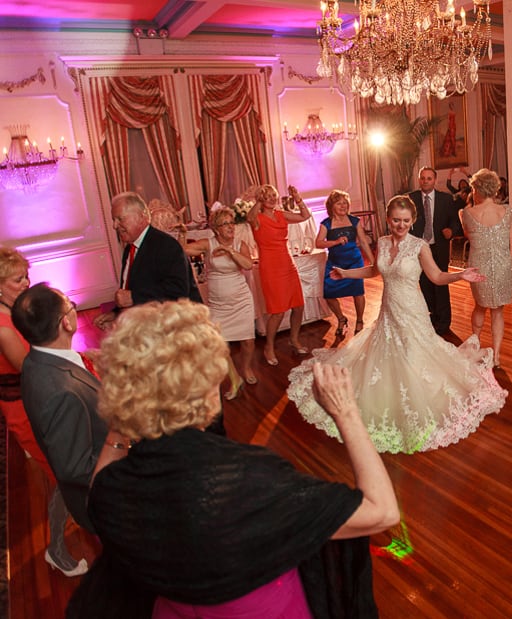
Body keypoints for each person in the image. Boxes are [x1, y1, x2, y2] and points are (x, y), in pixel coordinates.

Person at [67, 300, 399, 619]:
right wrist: (346, 412)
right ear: (208, 390)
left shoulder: (115, 486)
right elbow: (381, 511)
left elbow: (98, 490)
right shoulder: (247, 480)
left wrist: (120, 427)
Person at [288, 195, 507, 454]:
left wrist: (461, 275)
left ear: (412, 221)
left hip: (411, 311)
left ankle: (419, 404)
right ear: (387, 219)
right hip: (388, 311)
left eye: (405, 221)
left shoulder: (419, 246)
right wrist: (347, 273)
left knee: (415, 356)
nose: (400, 225)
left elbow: (436, 277)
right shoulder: (381, 241)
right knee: (386, 355)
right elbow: (374, 271)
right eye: (395, 220)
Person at [0, 249, 85, 576]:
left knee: (64, 470)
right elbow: (33, 370)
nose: (26, 283)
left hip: (33, 400)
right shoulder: (5, 326)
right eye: (17, 279)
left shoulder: (14, 311)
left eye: (26, 275)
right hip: (24, 407)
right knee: (63, 475)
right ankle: (56, 550)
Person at [13, 284, 108, 537]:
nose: (74, 310)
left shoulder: (36, 362)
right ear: (65, 323)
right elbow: (76, 468)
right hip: (107, 501)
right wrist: (124, 442)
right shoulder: (61, 392)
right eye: (71, 305)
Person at [93, 191, 202, 331]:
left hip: (179, 331)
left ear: (141, 215)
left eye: (120, 219)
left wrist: (133, 297)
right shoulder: (130, 248)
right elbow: (135, 287)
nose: (115, 225)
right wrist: (117, 313)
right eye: (114, 220)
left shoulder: (166, 246)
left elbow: (178, 290)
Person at [180, 206, 257, 398]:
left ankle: (246, 368)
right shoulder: (208, 244)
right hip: (218, 303)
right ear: (216, 229)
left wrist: (230, 251)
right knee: (219, 344)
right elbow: (183, 251)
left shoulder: (241, 244)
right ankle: (234, 378)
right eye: (225, 224)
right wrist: (182, 234)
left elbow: (248, 265)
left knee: (248, 341)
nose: (230, 227)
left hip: (241, 299)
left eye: (231, 223)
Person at [248, 183, 312, 365]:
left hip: (287, 263)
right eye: (267, 196)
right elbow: (249, 216)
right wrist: (258, 202)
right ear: (261, 199)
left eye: (273, 195)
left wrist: (297, 197)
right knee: (277, 311)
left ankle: (294, 339)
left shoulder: (280, 214)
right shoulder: (257, 218)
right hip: (270, 266)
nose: (271, 199)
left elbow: (305, 216)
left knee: (298, 305)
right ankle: (269, 347)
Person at [459, 169, 512, 367]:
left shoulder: (467, 213)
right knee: (498, 311)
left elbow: (469, 236)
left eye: (473, 189)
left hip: (479, 266)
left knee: (480, 306)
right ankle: (496, 356)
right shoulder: (508, 211)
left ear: (477, 189)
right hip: (502, 265)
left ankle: (475, 345)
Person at [408, 166, 461, 335]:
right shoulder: (411, 199)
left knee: (441, 284)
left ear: (435, 180)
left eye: (429, 178)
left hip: (439, 247)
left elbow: (456, 222)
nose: (425, 181)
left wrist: (451, 231)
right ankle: (432, 317)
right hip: (419, 249)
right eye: (422, 178)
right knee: (424, 283)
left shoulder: (446, 199)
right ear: (419, 180)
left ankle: (444, 322)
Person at [316, 190, 375, 338]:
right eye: (339, 203)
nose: (343, 206)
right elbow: (318, 243)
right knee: (329, 294)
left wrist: (373, 261)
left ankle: (360, 321)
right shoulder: (326, 224)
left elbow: (363, 241)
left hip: (354, 261)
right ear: (332, 206)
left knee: (358, 293)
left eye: (345, 203)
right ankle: (341, 318)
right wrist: (335, 242)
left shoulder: (354, 221)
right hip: (335, 263)